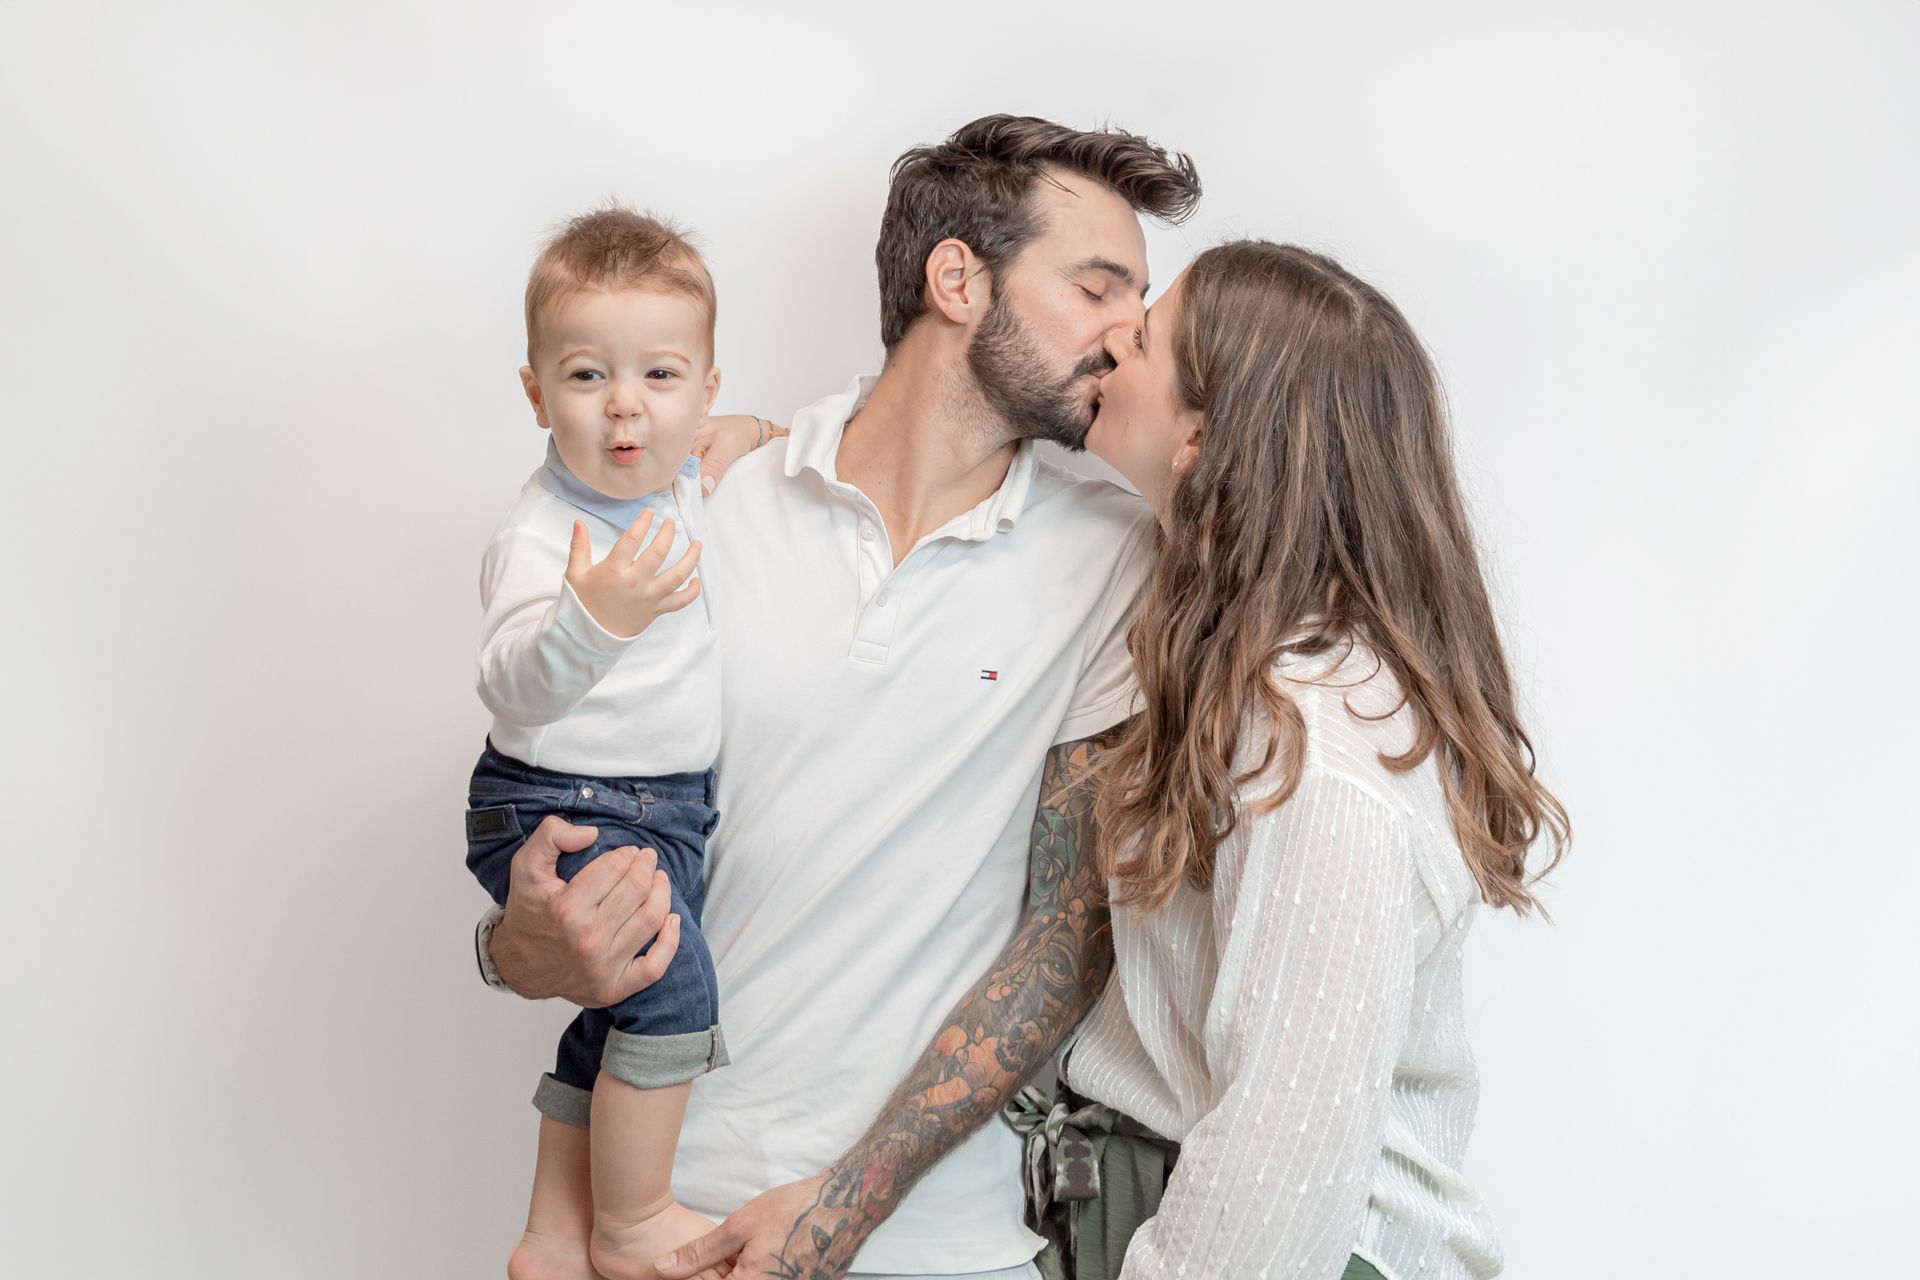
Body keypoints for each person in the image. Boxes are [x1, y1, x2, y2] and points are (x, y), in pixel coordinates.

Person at [476, 115, 1202, 1280]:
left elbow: (1071, 940)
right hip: (661, 1226)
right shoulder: (710, 498)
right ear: (956, 277)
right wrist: (514, 943)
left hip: (940, 1242)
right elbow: (573, 793)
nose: (1131, 334)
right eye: (1098, 287)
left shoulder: (1121, 556)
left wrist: (843, 1205)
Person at [1002, 241, 1571, 1279]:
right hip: (1155, 1203)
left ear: (1203, 437)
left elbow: (1277, 1172)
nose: (1113, 337)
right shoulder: (1239, 656)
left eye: (1149, 335)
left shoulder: (1312, 750)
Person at [464, 205, 767, 1280]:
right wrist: (594, 616)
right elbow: (508, 680)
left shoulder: (678, 473)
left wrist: (756, 434)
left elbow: (736, 438)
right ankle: (633, 1221)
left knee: (614, 1012)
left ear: (705, 389)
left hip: (664, 801)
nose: (627, 407)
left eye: (662, 376)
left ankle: (554, 1230)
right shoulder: (547, 532)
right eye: (588, 377)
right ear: (537, 391)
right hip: (563, 794)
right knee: (673, 989)